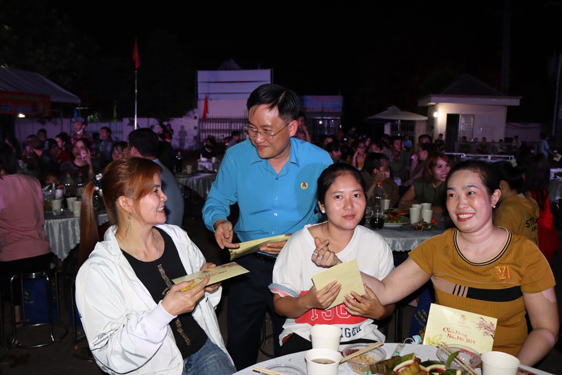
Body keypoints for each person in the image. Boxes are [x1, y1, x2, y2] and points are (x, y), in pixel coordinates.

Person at [367, 160, 559, 366]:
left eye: (470, 193)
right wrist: (336, 262)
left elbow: (545, 328)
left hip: (497, 367)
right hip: (439, 362)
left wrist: (513, 369)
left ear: (494, 197)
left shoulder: (525, 255)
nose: (460, 204)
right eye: (452, 195)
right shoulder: (437, 248)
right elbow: (385, 290)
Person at [202, 83, 333, 369]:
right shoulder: (237, 157)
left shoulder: (318, 161)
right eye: (251, 128)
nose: (257, 138)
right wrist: (220, 220)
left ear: (293, 127)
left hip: (299, 265)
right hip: (248, 263)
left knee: (293, 344)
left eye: (267, 130)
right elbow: (216, 202)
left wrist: (303, 241)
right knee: (239, 343)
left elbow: (332, 216)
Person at [75, 157, 235, 375]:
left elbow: (204, 305)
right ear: (126, 203)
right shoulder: (99, 270)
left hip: (202, 349)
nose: (165, 197)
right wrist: (164, 312)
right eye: (155, 191)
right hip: (154, 368)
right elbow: (110, 355)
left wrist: (208, 285)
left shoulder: (176, 237)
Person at [270, 163, 395, 354]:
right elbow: (280, 305)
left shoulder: (376, 244)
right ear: (321, 205)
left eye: (356, 195)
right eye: (338, 197)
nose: (349, 205)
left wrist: (377, 311)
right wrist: (308, 302)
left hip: (360, 337)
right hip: (306, 335)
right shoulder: (299, 243)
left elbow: (389, 304)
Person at [0, 143, 51, 326]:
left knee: (9, 265)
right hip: (41, 252)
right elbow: (41, 215)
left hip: (13, 257)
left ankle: (16, 315)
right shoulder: (32, 182)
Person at [128, 128, 184, 227]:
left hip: (162, 233)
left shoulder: (147, 174)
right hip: (173, 229)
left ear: (133, 150)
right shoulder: (162, 169)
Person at [493, 161, 539, 246]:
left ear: (502, 184)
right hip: (532, 255)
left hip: (516, 258)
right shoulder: (528, 202)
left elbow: (500, 245)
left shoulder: (506, 210)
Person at [524, 154, 559, 261]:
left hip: (538, 243)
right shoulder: (542, 191)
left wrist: (514, 159)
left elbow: (514, 168)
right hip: (549, 240)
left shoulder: (528, 194)